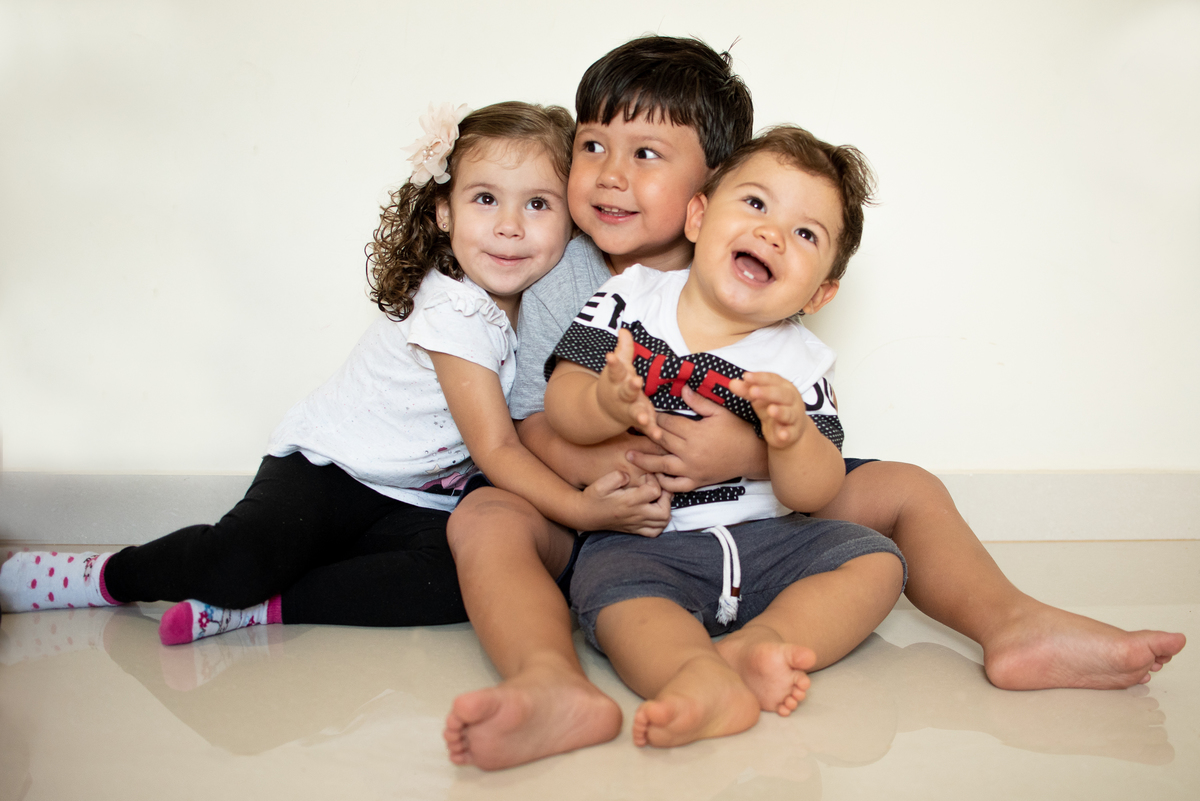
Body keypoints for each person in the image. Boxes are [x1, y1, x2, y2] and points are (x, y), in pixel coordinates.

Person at [443, 35, 1185, 771]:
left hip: (753, 508)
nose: (609, 177)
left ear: (706, 189)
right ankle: (549, 680)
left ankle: (1013, 623)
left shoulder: (756, 274)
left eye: (646, 155)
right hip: (611, 512)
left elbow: (803, 450)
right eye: (594, 147)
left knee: (906, 486)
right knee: (485, 516)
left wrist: (743, 452)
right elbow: (532, 423)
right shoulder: (566, 278)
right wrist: (615, 466)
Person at [0, 101, 669, 643]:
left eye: (538, 205)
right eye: (486, 199)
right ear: (444, 212)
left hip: (419, 496)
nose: (509, 228)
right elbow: (497, 448)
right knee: (239, 561)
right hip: (331, 470)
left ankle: (262, 608)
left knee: (461, 581)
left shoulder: (549, 307)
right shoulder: (455, 310)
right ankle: (105, 574)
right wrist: (582, 507)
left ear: (571, 219)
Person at [546, 124, 907, 747]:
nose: (772, 233)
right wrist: (605, 401)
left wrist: (790, 440)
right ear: (698, 217)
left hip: (771, 542)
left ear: (820, 292)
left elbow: (817, 491)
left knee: (874, 562)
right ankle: (696, 678)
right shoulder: (628, 300)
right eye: (756, 204)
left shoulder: (799, 362)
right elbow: (561, 407)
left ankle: (761, 645)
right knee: (614, 596)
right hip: (648, 541)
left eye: (804, 234)